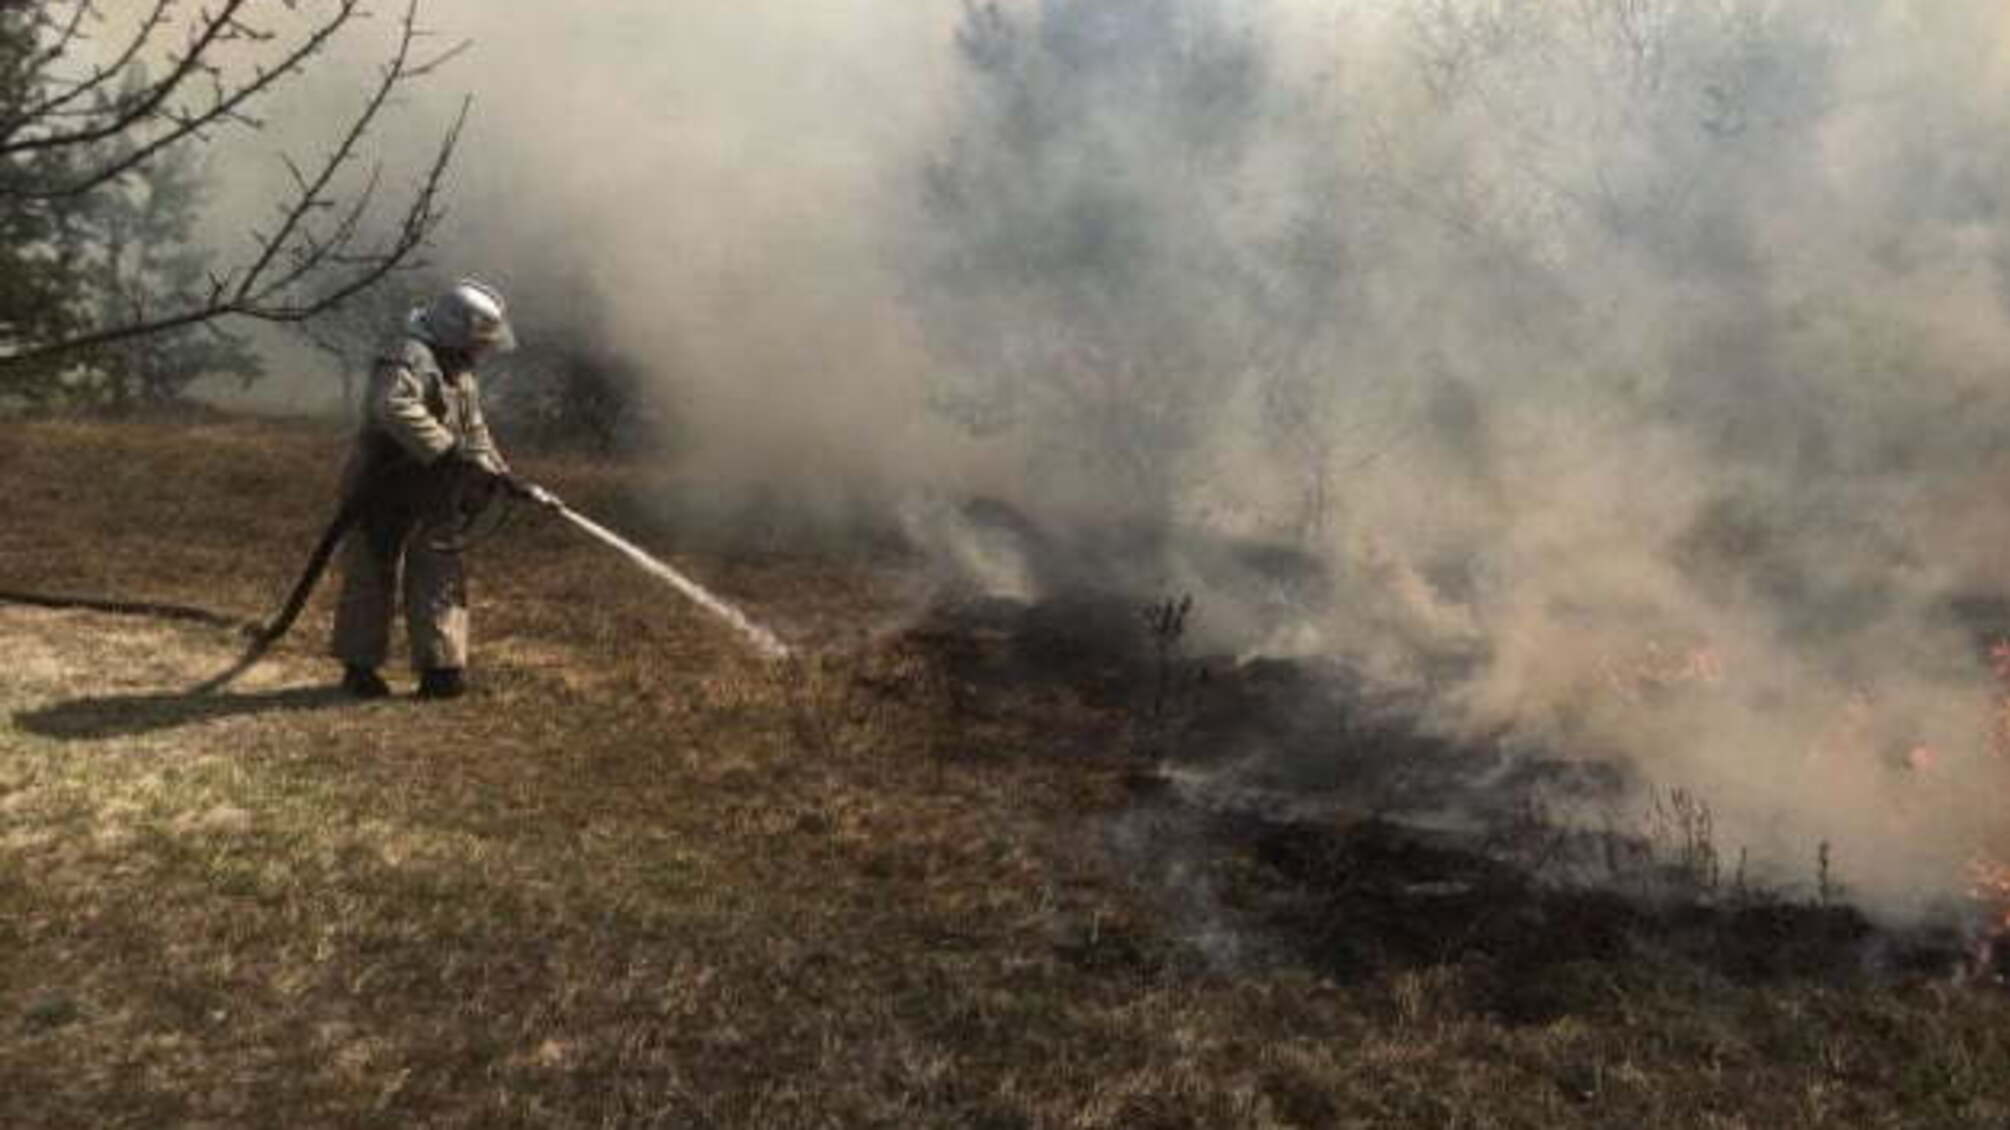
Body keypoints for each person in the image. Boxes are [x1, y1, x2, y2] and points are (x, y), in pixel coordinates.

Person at [330, 278, 520, 700]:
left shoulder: (460, 367)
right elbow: (393, 407)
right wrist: (450, 452)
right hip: (381, 483)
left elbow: (473, 428)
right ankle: (359, 670)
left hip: (434, 486)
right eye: (479, 340)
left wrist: (497, 471)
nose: (484, 350)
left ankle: (442, 670)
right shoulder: (406, 355)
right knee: (372, 574)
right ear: (457, 330)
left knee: (441, 573)